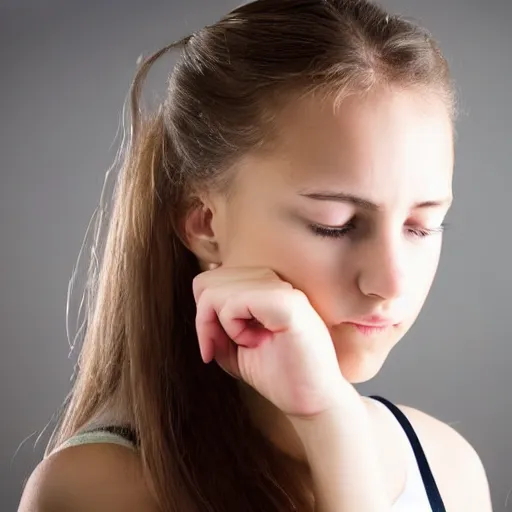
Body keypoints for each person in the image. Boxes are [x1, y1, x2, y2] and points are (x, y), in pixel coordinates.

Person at [18, 0, 493, 510]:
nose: (392, 283)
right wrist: (326, 422)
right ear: (204, 222)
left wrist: (332, 423)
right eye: (335, 225)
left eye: (421, 227)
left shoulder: (448, 467)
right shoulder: (98, 487)